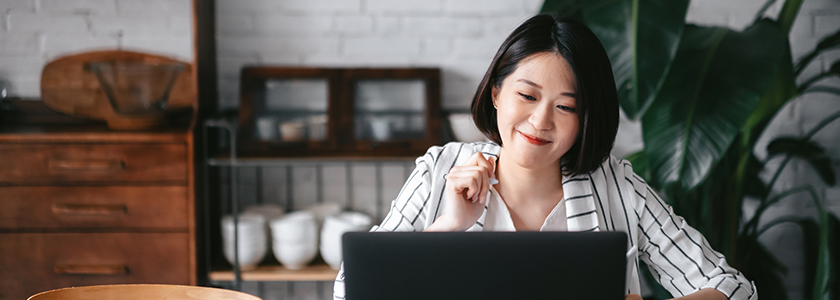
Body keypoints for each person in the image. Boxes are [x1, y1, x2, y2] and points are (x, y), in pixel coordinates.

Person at [333, 13, 756, 300]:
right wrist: (448, 226)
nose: (540, 121)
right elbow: (351, 289)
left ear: (586, 118)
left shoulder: (617, 186)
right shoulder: (439, 170)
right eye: (527, 95)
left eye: (566, 107)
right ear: (497, 93)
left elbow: (732, 287)